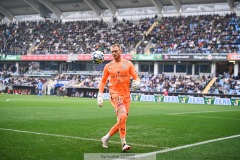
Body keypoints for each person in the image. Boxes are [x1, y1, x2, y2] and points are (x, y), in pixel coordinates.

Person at [97, 44, 140, 151]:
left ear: (120, 51)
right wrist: (100, 95)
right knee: (123, 115)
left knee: (122, 120)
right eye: (112, 52)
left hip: (126, 95)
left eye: (115, 51)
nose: (114, 53)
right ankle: (123, 144)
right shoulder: (108, 66)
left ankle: (105, 138)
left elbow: (136, 77)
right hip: (115, 94)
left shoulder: (128, 64)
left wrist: (137, 82)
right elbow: (103, 81)